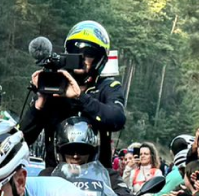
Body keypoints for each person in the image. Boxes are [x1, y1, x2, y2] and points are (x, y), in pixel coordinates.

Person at [18, 20, 125, 168]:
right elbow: (21, 140)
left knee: (123, 192)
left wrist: (80, 97)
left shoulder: (108, 87)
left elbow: (117, 119)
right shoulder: (54, 87)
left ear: (100, 59)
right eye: (75, 52)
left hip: (100, 177)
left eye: (89, 54)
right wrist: (38, 105)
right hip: (54, 177)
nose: (81, 58)